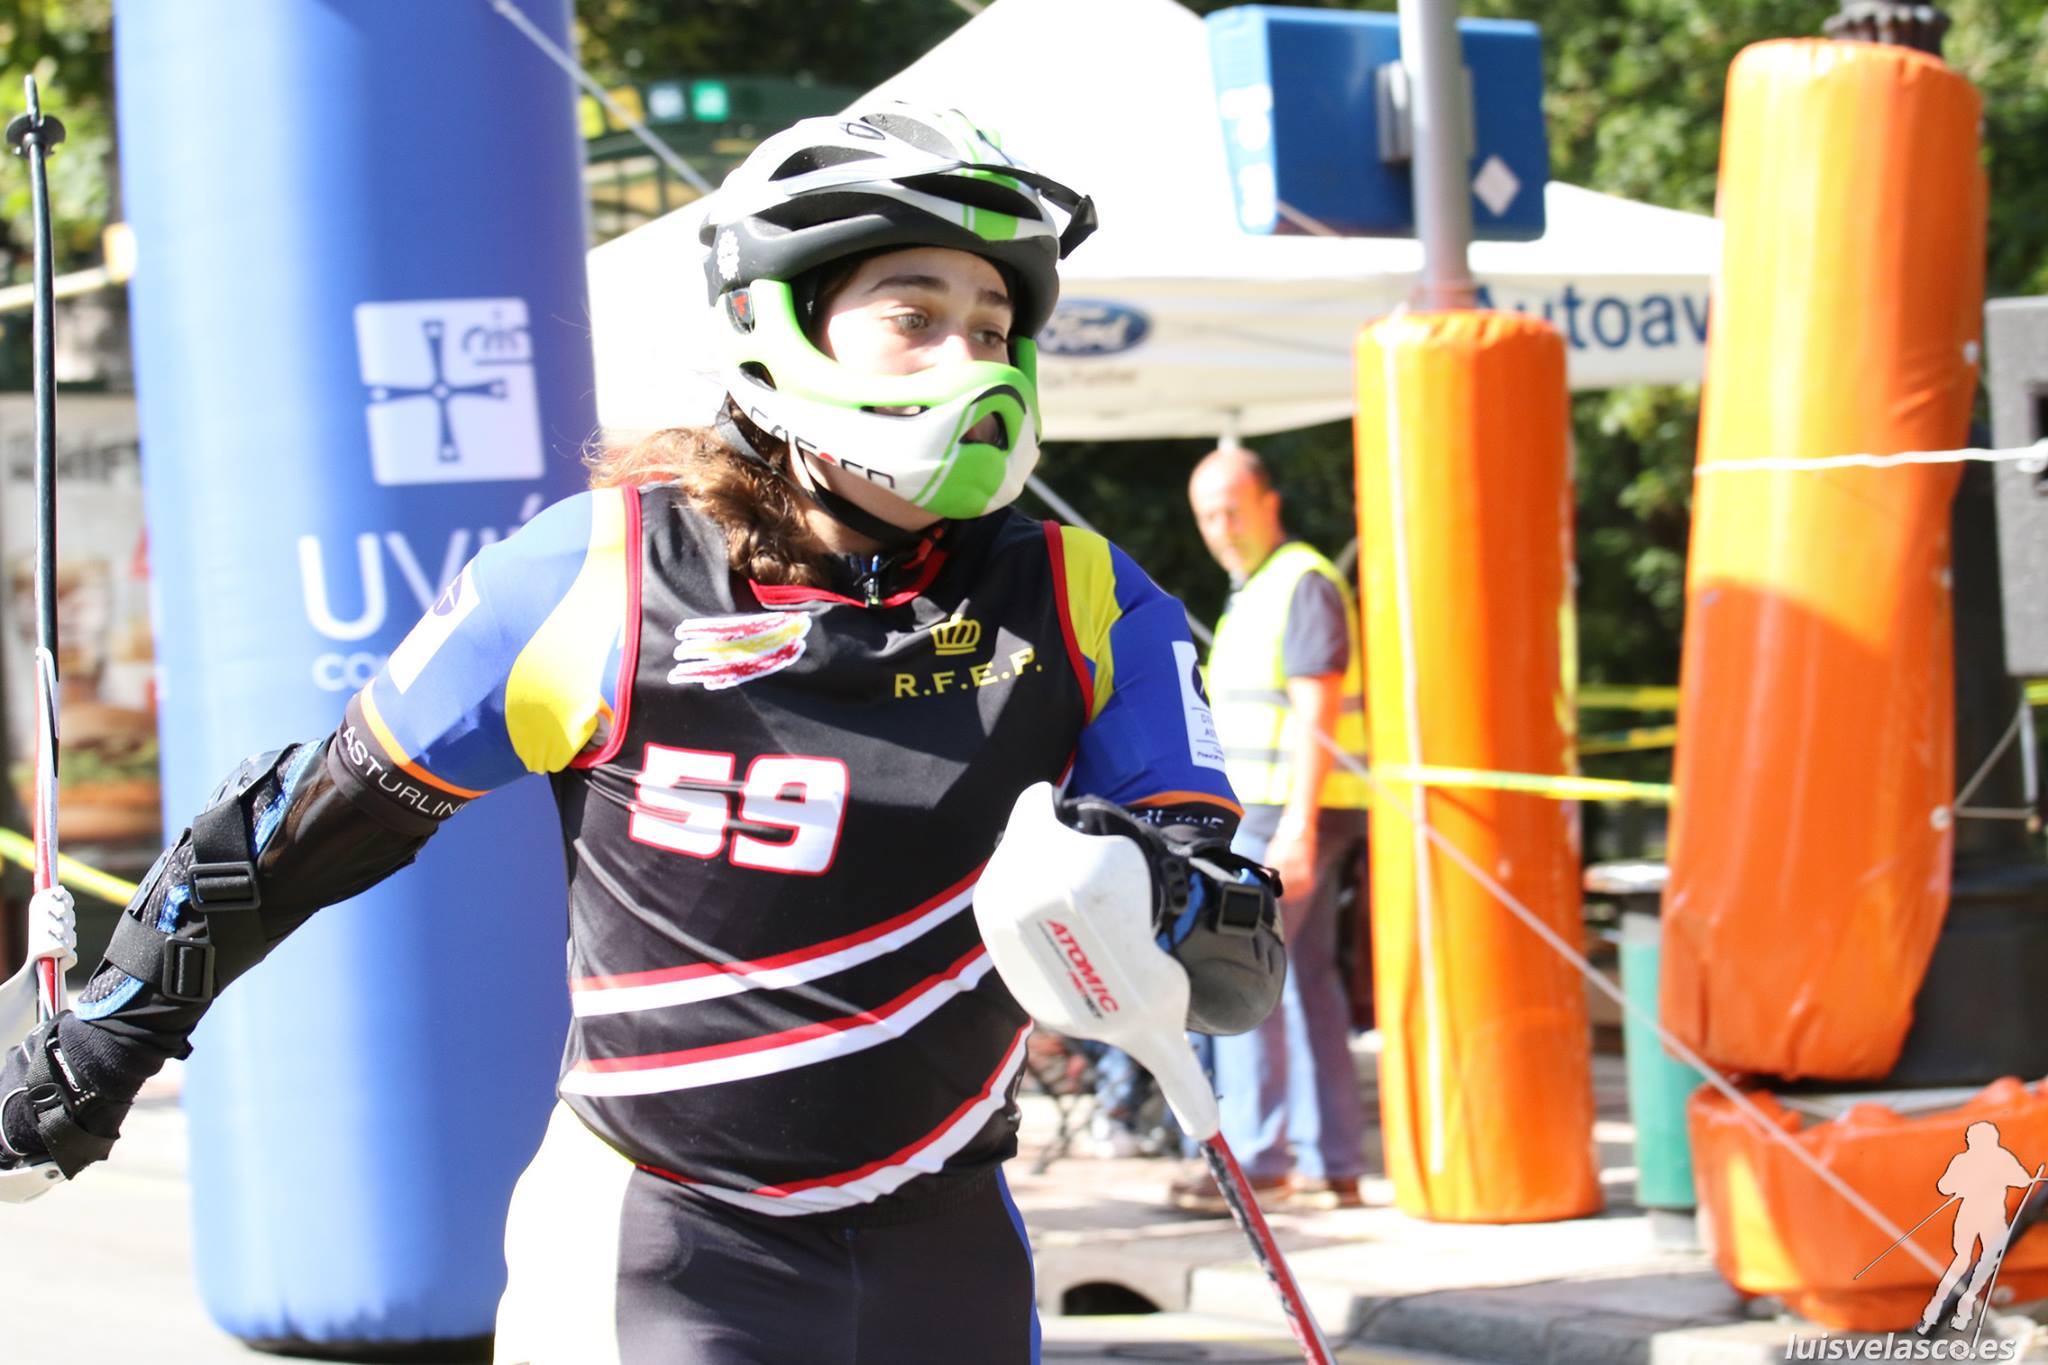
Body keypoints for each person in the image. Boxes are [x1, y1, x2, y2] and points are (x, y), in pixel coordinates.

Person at [0, 106, 1285, 1364]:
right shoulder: (592, 576)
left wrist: (1155, 897)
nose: (970, 360)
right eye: (914, 315)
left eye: (993, 328)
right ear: (778, 320)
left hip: (947, 1256)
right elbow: (295, 837)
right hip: (663, 1253)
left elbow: (1235, 959)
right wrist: (98, 1041)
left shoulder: (1084, 596)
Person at [1170, 445, 1371, 1214]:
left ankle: (1258, 1159)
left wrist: (1299, 824)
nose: (1221, 528)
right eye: (1207, 516)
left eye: (1232, 510)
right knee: (1303, 983)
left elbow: (1318, 710)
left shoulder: (1298, 581)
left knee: (1243, 978)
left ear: (1268, 503)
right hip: (1279, 813)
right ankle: (1329, 1162)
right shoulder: (1260, 590)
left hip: (1282, 815)